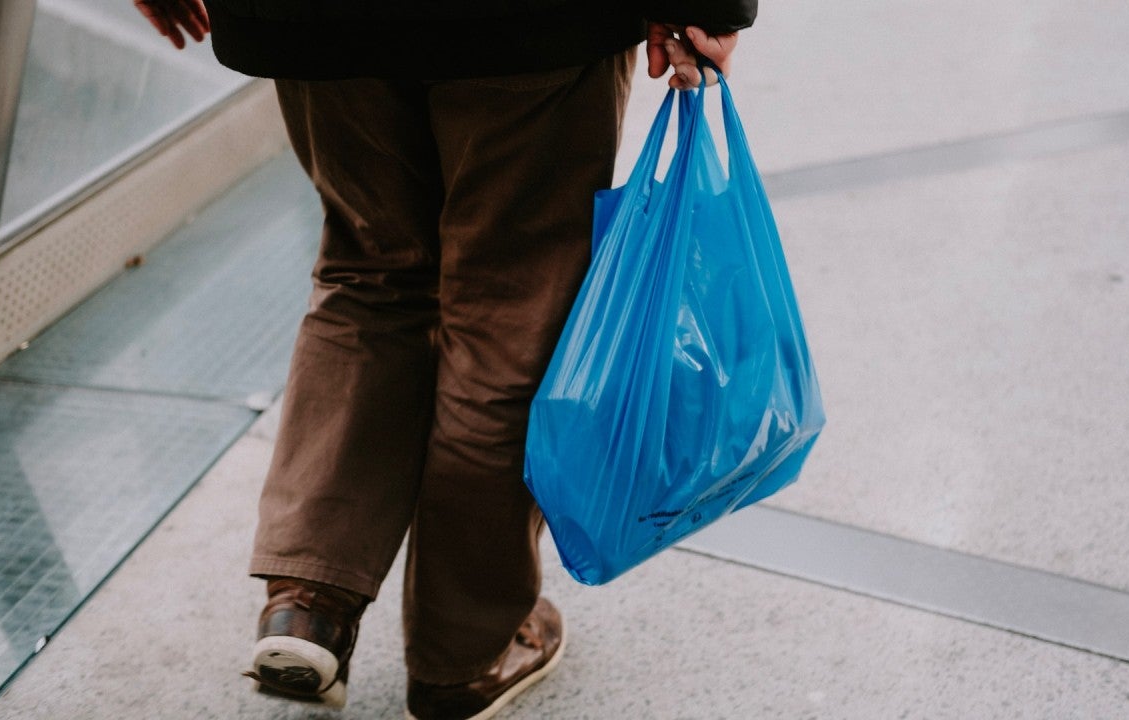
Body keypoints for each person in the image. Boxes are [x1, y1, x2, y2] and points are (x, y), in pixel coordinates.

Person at [135, 1, 751, 717]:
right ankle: (465, 654)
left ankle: (308, 601)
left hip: (309, 18)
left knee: (369, 271)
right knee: (510, 305)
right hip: (519, 28)